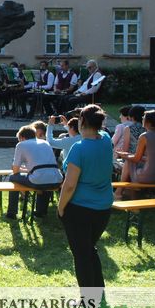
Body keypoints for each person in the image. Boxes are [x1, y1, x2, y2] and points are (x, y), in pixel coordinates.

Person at [58, 104, 113, 288]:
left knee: (81, 256)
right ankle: (98, 290)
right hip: (103, 208)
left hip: (80, 209)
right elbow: (99, 131)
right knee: (89, 249)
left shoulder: (79, 148)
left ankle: (88, 299)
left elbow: (69, 185)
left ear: (81, 121)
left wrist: (61, 207)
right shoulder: (106, 139)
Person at [5, 125, 64, 220]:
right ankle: (41, 212)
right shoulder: (45, 143)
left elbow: (15, 170)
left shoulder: (21, 145)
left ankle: (11, 213)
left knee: (12, 177)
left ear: (22, 138)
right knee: (45, 180)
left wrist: (21, 169)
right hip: (57, 179)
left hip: (39, 180)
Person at [116, 110, 155, 199]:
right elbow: (152, 158)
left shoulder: (144, 136)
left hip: (150, 177)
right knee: (130, 160)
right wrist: (127, 154)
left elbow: (136, 158)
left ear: (148, 122)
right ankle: (122, 193)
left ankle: (120, 193)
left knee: (129, 162)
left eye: (144, 118)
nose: (142, 119)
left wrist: (124, 155)